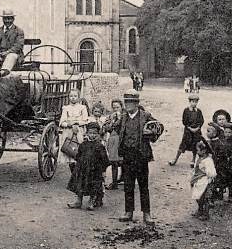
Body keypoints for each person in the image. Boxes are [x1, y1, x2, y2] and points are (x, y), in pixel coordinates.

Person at [116, 89, 163, 226]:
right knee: (128, 185)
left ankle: (146, 213)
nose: (128, 105)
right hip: (127, 155)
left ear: (137, 103)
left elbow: (160, 126)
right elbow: (114, 128)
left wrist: (151, 132)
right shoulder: (123, 117)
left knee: (143, 186)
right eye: (126, 102)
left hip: (141, 155)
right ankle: (128, 212)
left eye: (131, 102)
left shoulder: (145, 115)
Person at [67, 121, 110, 210]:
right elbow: (78, 155)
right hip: (83, 169)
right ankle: (78, 201)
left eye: (95, 133)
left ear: (98, 134)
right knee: (80, 184)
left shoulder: (100, 146)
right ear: (87, 133)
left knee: (93, 186)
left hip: (94, 170)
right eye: (90, 133)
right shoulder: (83, 144)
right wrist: (78, 165)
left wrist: (103, 171)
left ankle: (91, 201)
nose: (92, 135)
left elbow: (104, 159)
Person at [169, 93, 204, 167]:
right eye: (193, 102)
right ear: (190, 102)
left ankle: (193, 160)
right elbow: (184, 121)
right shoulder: (186, 110)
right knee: (183, 145)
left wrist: (197, 128)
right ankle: (175, 159)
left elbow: (201, 121)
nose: (194, 103)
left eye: (196, 102)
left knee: (195, 145)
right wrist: (190, 128)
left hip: (197, 131)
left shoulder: (199, 111)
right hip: (188, 131)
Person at [58, 88, 89, 173]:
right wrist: (69, 124)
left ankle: (79, 175)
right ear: (68, 97)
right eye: (71, 96)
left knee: (79, 152)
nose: (73, 98)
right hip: (68, 132)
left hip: (79, 131)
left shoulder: (82, 108)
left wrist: (76, 123)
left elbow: (85, 120)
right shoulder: (66, 108)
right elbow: (62, 122)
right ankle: (73, 176)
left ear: (78, 97)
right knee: (70, 152)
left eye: (75, 96)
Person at [190, 140, 217, 220]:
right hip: (199, 180)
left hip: (205, 181)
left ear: (204, 151)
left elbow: (212, 172)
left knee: (205, 198)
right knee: (198, 197)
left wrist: (209, 179)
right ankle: (200, 210)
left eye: (198, 150)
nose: (197, 152)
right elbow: (196, 168)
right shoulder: (200, 159)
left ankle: (206, 214)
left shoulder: (208, 161)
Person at [103, 98, 123, 190]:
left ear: (121, 107)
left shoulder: (124, 117)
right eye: (114, 107)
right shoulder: (110, 117)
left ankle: (123, 178)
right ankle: (114, 182)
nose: (115, 109)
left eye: (117, 107)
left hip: (121, 140)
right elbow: (107, 128)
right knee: (114, 162)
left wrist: (119, 119)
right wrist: (112, 121)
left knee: (123, 161)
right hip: (113, 140)